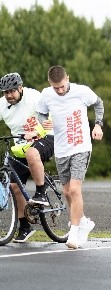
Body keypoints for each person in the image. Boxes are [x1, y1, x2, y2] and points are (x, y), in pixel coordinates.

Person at [36, 65, 103, 249]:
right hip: (61, 148)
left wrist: (98, 125)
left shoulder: (82, 91)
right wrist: (44, 122)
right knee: (66, 192)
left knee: (74, 189)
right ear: (50, 84)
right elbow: (40, 113)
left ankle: (74, 233)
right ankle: (83, 222)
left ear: (68, 79)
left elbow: (98, 103)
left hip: (81, 146)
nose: (60, 90)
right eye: (56, 88)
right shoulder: (46, 94)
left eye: (62, 86)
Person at [0, 72, 55, 242]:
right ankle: (25, 227)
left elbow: (50, 118)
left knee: (32, 153)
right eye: (5, 92)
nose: (9, 95)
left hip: (45, 137)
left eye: (12, 91)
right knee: (14, 186)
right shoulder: (2, 104)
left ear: (20, 88)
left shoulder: (34, 98)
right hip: (19, 145)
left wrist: (37, 130)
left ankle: (40, 193)